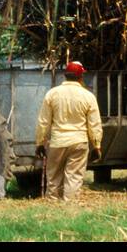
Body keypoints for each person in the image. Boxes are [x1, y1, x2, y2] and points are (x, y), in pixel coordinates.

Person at [35, 61, 102, 201]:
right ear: (80, 77)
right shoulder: (88, 96)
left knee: (53, 178)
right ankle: (70, 209)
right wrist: (96, 146)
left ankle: (53, 207)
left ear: (65, 76)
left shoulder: (52, 94)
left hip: (57, 142)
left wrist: (40, 143)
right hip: (79, 143)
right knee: (74, 178)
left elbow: (44, 122)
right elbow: (94, 124)